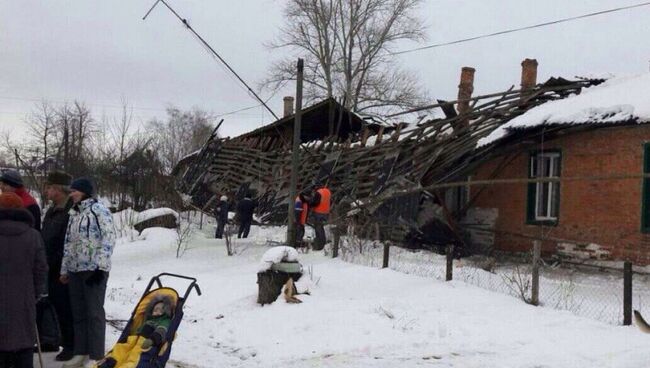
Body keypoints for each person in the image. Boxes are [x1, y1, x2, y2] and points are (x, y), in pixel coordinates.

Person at [60, 178, 116, 368]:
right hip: (75, 269)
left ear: (84, 192)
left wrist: (101, 267)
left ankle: (96, 355)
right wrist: (65, 269)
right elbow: (68, 243)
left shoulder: (98, 210)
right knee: (78, 312)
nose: (71, 194)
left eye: (74, 191)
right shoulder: (74, 213)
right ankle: (80, 352)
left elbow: (109, 237)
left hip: (93, 270)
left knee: (94, 313)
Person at [0, 192, 48, 368]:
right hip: (24, 299)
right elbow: (41, 269)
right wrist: (35, 293)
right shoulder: (33, 236)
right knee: (24, 345)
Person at [41, 171, 75, 361]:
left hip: (62, 270)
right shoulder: (52, 210)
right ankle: (63, 342)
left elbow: (68, 242)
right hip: (49, 267)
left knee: (66, 307)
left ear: (59, 189)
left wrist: (56, 263)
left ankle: (71, 346)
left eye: (49, 187)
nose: (46, 191)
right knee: (56, 306)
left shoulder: (72, 211)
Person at [97, 296, 174, 368]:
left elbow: (161, 331)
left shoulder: (164, 321)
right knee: (117, 354)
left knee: (133, 361)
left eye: (161, 311)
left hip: (146, 346)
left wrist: (152, 340)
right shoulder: (147, 319)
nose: (157, 312)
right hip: (133, 341)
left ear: (166, 312)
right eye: (155, 310)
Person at [309, 182, 331, 250]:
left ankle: (321, 244)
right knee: (321, 227)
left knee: (318, 228)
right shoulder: (328, 191)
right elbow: (330, 202)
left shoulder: (318, 192)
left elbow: (315, 203)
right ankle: (322, 242)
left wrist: (309, 204)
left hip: (318, 212)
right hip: (326, 212)